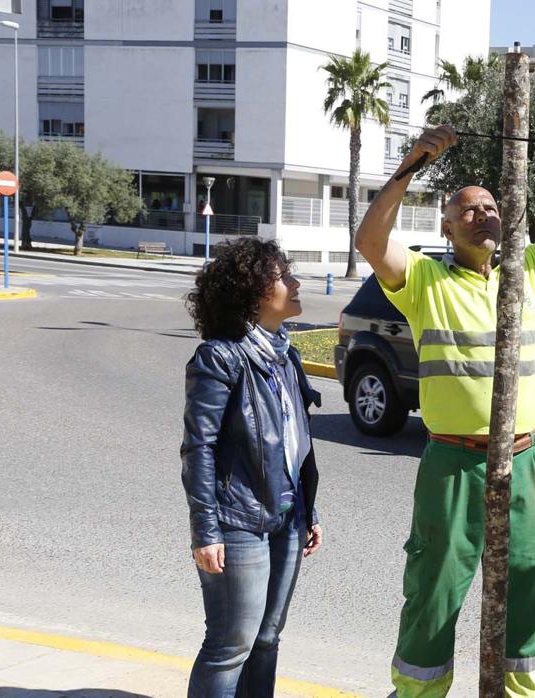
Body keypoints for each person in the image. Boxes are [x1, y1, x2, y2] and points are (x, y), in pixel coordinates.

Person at [356, 121, 535, 697]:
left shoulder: (529, 272)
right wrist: (411, 165)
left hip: (525, 460)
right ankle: (419, 692)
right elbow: (371, 241)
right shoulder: (424, 280)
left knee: (527, 584)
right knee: (435, 588)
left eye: (490, 205)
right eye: (467, 209)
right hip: (453, 464)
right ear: (446, 226)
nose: (482, 212)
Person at [181, 237, 324, 697]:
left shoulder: (284, 354)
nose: (297, 283)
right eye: (285, 277)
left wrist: (309, 510)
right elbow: (198, 447)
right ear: (255, 291)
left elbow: (293, 440)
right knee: (231, 643)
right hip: (237, 521)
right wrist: (206, 530)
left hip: (287, 517)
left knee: (266, 640)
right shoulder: (220, 357)